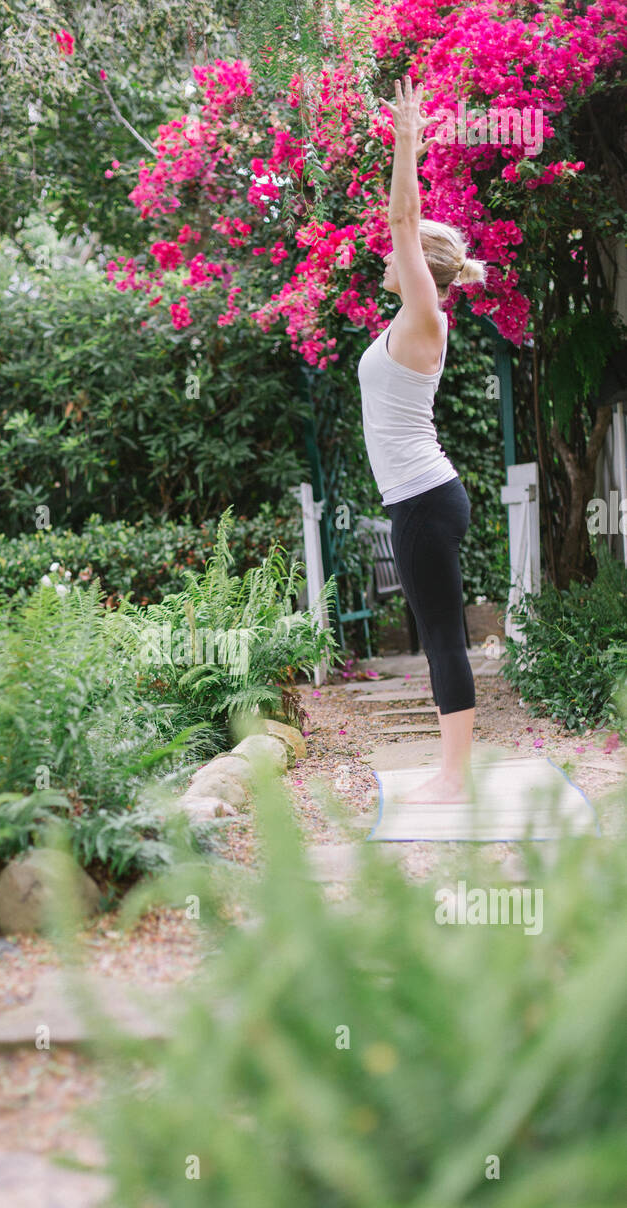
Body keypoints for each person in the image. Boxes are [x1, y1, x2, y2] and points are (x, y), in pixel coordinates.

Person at [357, 76, 486, 804]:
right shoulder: (405, 326)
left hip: (425, 503)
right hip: (420, 500)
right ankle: (451, 771)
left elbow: (404, 223)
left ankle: (453, 777)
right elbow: (405, 231)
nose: (386, 253)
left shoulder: (424, 316)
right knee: (437, 629)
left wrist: (407, 139)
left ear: (421, 276)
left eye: (400, 254)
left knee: (440, 634)